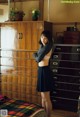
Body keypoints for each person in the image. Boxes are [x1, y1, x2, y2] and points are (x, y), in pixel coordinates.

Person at [33, 30, 53, 117]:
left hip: (45, 71)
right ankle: (43, 115)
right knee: (42, 97)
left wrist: (35, 55)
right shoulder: (42, 47)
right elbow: (36, 55)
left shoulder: (47, 47)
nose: (43, 39)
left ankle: (48, 116)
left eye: (45, 38)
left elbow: (38, 59)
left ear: (48, 39)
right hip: (41, 71)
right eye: (42, 37)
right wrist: (36, 55)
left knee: (46, 98)